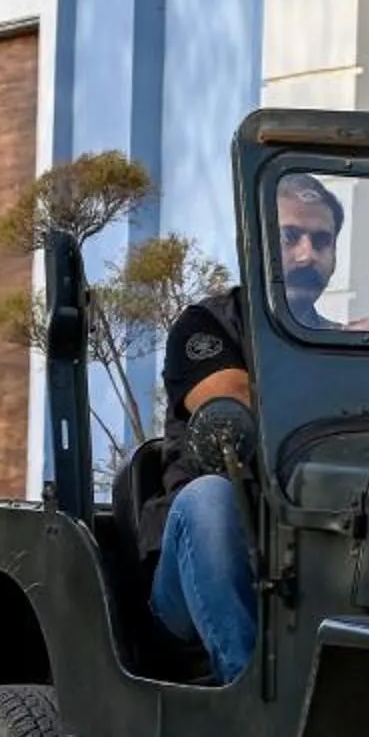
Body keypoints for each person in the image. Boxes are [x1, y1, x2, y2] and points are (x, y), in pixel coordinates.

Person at [141, 173, 349, 682]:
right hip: (195, 567)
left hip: (306, 550)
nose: (306, 254)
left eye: (321, 241)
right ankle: (249, 693)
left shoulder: (342, 344)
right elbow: (233, 399)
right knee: (208, 496)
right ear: (255, 245)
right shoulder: (207, 325)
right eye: (290, 237)